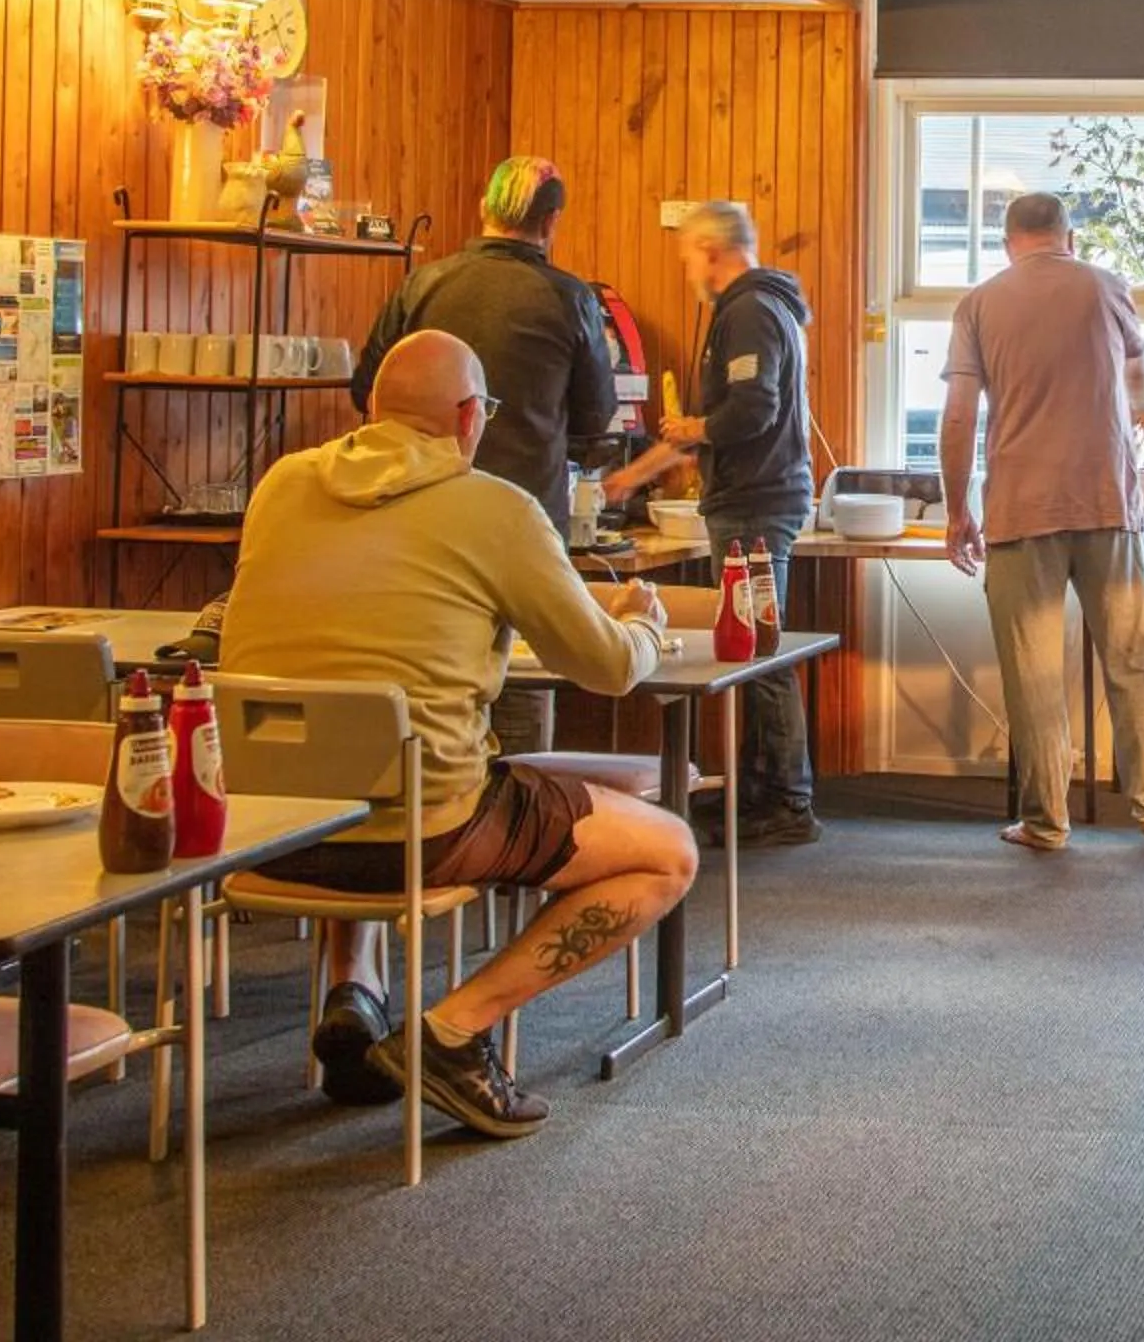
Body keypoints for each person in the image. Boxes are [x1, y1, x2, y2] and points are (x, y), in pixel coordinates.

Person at [222, 331, 695, 1139]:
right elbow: (609, 668)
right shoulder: (496, 508)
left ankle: (355, 994)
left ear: (374, 413)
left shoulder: (282, 484)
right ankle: (453, 1031)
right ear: (472, 417)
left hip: (267, 826)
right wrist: (646, 623)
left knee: (352, 748)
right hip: (425, 826)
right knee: (670, 852)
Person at [940, 192, 1144, 851]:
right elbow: (1140, 371)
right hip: (1109, 503)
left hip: (1021, 510)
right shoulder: (1107, 288)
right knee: (1134, 660)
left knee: (1034, 676)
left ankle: (1045, 822)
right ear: (1070, 239)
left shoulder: (979, 303)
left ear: (1007, 244)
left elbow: (960, 417)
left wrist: (955, 511)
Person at [603, 200, 822, 844]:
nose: (686, 272)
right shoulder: (764, 308)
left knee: (760, 649)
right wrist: (630, 478)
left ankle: (786, 802)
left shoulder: (750, 312)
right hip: (757, 498)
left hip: (756, 502)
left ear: (710, 250)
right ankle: (759, 793)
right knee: (752, 644)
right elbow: (718, 424)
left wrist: (697, 428)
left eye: (686, 257)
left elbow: (751, 409)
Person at [353, 154, 615, 523]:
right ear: (551, 220)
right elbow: (596, 418)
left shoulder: (421, 285)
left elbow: (366, 390)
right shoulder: (571, 298)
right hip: (524, 515)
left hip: (423, 507)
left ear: (483, 210)